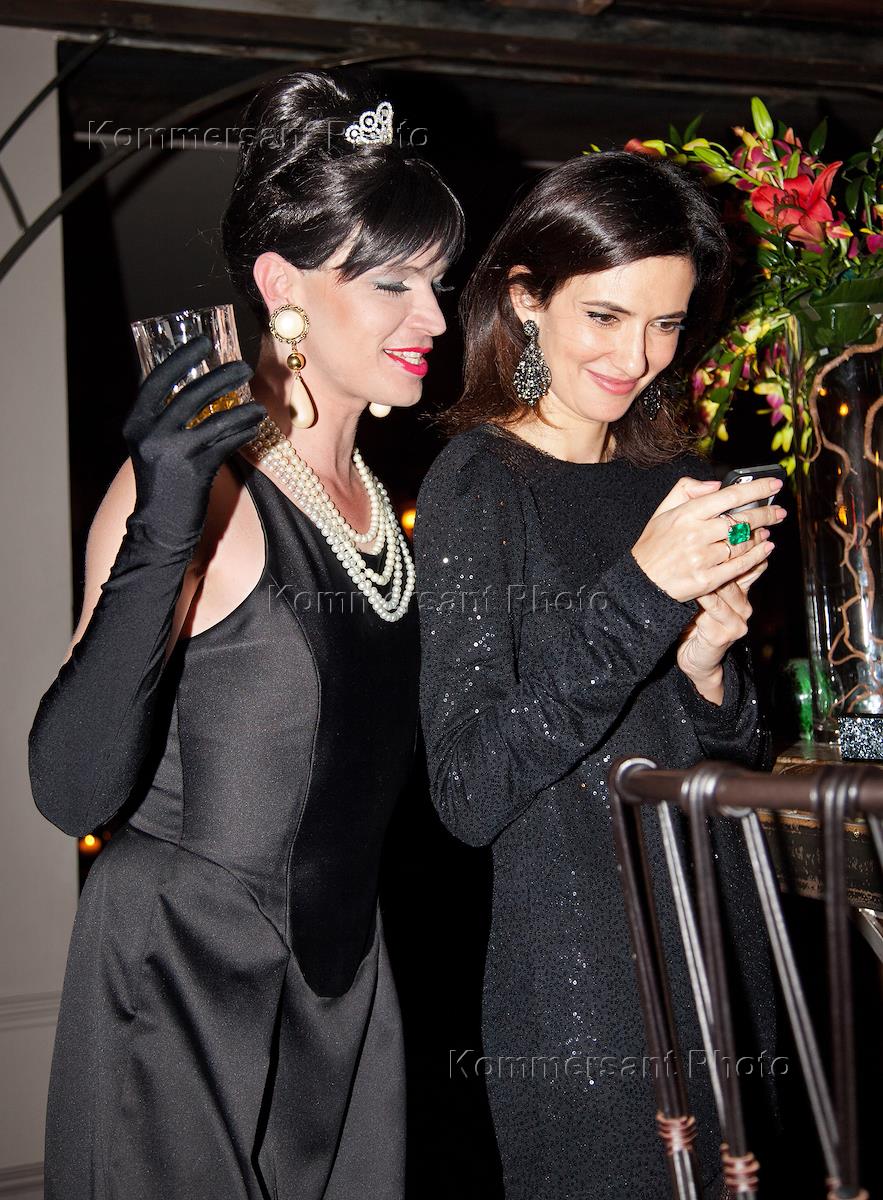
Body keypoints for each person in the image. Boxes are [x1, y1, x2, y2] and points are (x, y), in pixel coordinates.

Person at [29, 69, 463, 1199]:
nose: (432, 318)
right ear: (281, 286)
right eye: (393, 283)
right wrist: (162, 525)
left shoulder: (381, 506)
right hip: (182, 982)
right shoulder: (198, 487)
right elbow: (73, 790)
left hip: (341, 985)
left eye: (437, 282)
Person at [414, 150, 785, 1199]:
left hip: (719, 943)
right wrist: (641, 590)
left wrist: (708, 671)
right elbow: (466, 788)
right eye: (606, 316)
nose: (638, 356)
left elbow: (733, 761)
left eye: (666, 323)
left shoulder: (679, 481)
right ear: (525, 300)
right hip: (584, 980)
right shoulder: (479, 483)